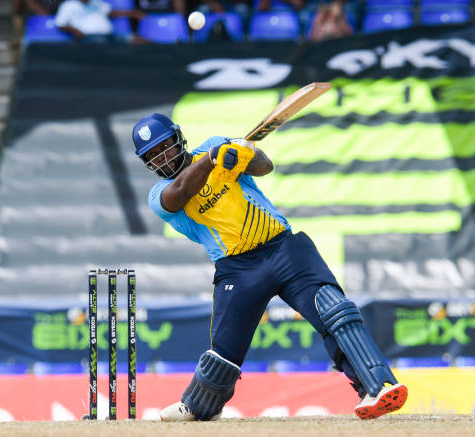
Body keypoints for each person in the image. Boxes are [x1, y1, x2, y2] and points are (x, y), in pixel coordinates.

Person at [132, 113, 408, 421]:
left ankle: (376, 386)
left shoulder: (215, 145)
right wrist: (212, 160)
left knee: (334, 311)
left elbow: (265, 166)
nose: (162, 157)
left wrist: (244, 155)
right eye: (153, 155)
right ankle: (198, 407)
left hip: (285, 250)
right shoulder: (159, 195)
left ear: (178, 139)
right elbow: (180, 192)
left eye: (165, 147)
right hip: (238, 269)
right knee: (223, 355)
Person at [55, 0, 147, 42]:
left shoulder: (96, 2)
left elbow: (111, 12)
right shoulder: (68, 5)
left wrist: (131, 13)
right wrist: (74, 30)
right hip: (89, 37)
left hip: (110, 35)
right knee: (103, 44)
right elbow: (60, 24)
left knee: (137, 39)